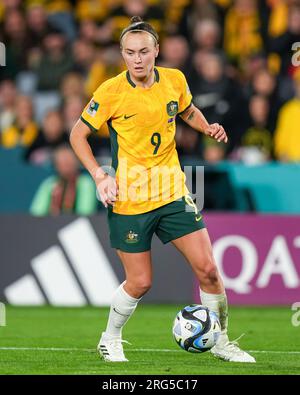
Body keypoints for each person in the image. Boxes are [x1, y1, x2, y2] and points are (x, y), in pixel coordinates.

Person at [69, 16, 255, 363]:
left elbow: (185, 110)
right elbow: (77, 135)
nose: (137, 59)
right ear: (122, 55)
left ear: (156, 51)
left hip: (172, 192)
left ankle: (222, 341)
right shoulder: (110, 91)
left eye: (143, 51)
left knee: (209, 270)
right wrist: (100, 176)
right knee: (140, 283)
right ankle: (110, 337)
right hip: (130, 199)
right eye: (129, 53)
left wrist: (206, 127)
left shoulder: (175, 80)